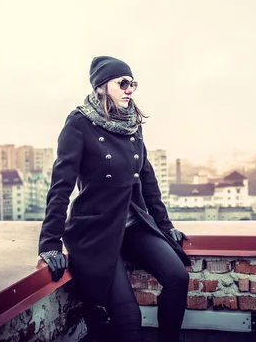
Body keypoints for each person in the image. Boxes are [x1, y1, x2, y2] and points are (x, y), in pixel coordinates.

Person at [38, 55, 191, 342]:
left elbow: (147, 179)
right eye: (123, 83)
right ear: (102, 86)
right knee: (129, 318)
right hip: (96, 230)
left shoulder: (132, 123)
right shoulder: (79, 123)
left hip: (133, 224)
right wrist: (49, 246)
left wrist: (164, 224)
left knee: (178, 278)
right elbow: (60, 187)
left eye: (132, 83)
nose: (129, 89)